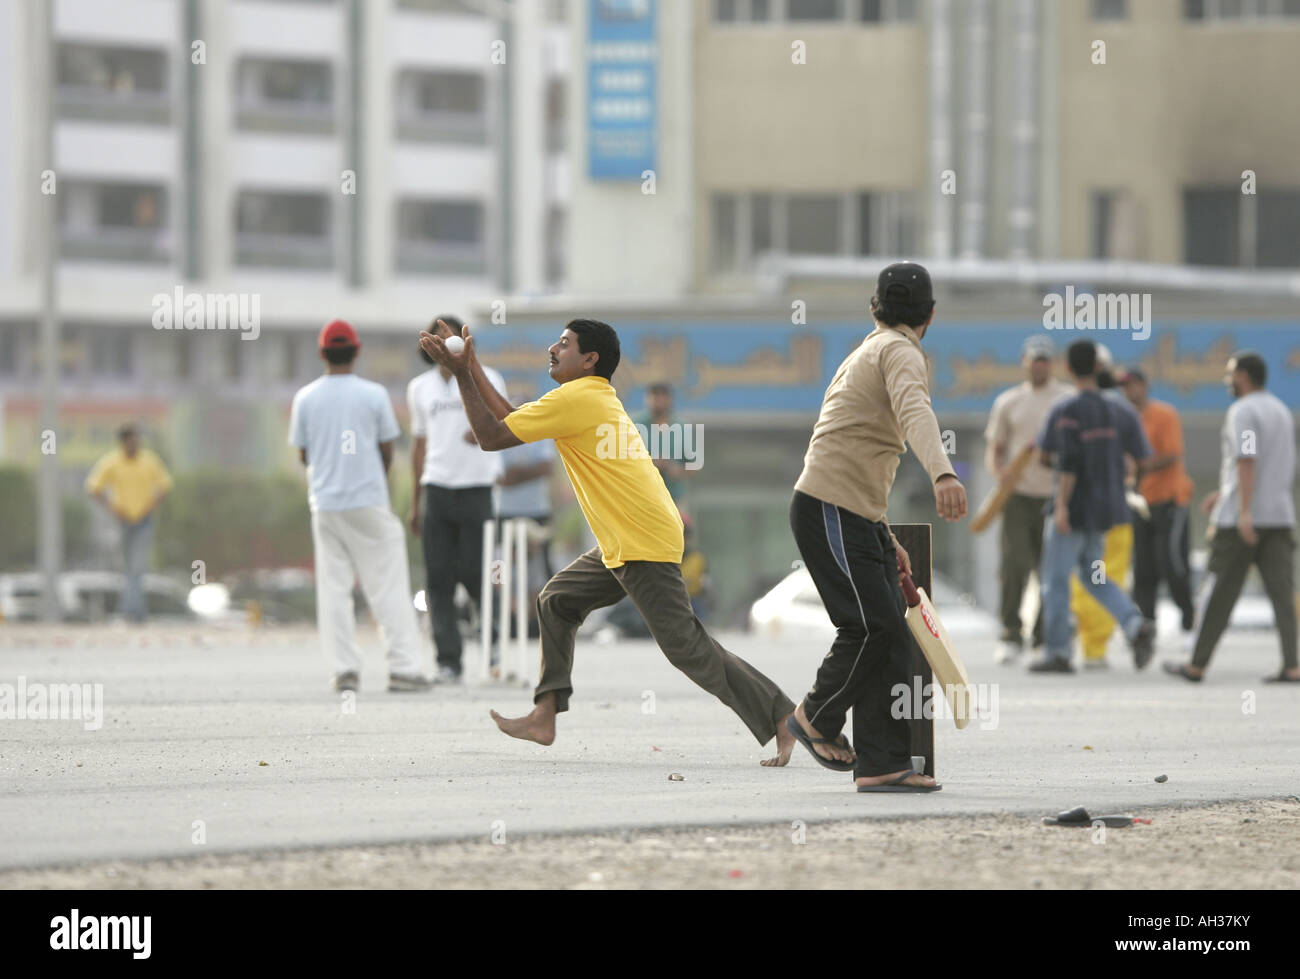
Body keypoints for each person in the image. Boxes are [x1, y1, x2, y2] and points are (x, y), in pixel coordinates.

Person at [418, 318, 799, 766]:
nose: (552, 349)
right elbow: (508, 416)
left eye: (564, 344)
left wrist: (462, 373)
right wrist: (473, 364)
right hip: (626, 539)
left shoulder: (578, 399)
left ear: (589, 360)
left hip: (642, 539)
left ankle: (783, 717)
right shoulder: (585, 397)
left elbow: (490, 436)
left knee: (687, 648)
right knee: (557, 599)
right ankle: (545, 715)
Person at [788, 262, 966, 792]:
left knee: (888, 633)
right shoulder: (900, 352)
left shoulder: (870, 350)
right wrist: (944, 472)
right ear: (930, 316)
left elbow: (860, 447)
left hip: (850, 512)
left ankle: (882, 763)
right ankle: (815, 716)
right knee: (873, 626)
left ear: (874, 308)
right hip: (830, 508)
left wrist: (883, 534)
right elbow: (917, 412)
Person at [289, 320, 430, 694]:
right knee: (387, 584)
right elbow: (387, 450)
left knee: (333, 589)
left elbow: (304, 454)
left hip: (325, 504)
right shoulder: (373, 395)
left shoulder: (305, 398)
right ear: (357, 350)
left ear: (322, 353)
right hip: (367, 500)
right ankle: (404, 668)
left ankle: (345, 670)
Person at [1164, 352, 1298, 683]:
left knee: (1217, 593)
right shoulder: (1280, 410)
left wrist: (1243, 511)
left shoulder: (1244, 411)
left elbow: (1247, 458)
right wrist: (1226, 492)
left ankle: (1197, 664)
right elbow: (1268, 464)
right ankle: (1293, 664)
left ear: (1244, 376)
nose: (1226, 381)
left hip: (1244, 522)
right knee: (1283, 594)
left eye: (1229, 375)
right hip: (1279, 516)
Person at [1033, 340, 1155, 673]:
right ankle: (1134, 624)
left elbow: (1058, 460)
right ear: (1099, 368)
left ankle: (1058, 652)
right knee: (1093, 575)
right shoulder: (1122, 410)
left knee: (1056, 580)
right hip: (1104, 511)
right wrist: (1124, 479)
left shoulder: (1064, 410)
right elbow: (1144, 457)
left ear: (1068, 368)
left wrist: (1060, 506)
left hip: (1071, 511)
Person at [407, 316, 509, 684]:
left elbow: (504, 421)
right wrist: (416, 502)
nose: (442, 341)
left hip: (478, 487)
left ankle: (494, 648)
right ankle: (448, 660)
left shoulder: (489, 378)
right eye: (436, 337)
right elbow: (419, 446)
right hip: (437, 486)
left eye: (449, 336)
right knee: (439, 578)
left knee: (478, 573)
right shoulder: (420, 388)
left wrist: (483, 431)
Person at [984, 336, 1071, 664]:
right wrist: (1000, 472)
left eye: (1045, 360)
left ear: (1053, 363)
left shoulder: (1066, 399)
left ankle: (1043, 637)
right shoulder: (1009, 401)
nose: (1040, 366)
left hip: (1056, 495)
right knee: (1014, 564)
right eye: (1035, 360)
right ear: (1024, 362)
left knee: (1051, 570)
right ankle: (1010, 633)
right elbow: (996, 450)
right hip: (1019, 496)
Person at [1065, 345, 1141, 668]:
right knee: (1104, 577)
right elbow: (1136, 462)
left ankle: (1089, 645)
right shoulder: (1122, 412)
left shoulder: (1073, 408)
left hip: (1082, 513)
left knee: (1084, 578)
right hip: (1117, 512)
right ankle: (1103, 643)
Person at [1119, 367, 1197, 649]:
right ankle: (1147, 629)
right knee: (1143, 570)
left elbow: (1171, 454)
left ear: (1144, 385)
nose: (1128, 391)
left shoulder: (1164, 414)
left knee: (1172, 563)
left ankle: (1188, 620)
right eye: (1124, 387)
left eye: (1132, 385)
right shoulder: (1124, 418)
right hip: (1141, 503)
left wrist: (1140, 464)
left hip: (1170, 499)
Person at [85, 424, 174, 623]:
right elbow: (93, 487)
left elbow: (165, 485)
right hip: (122, 520)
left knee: (137, 566)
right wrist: (113, 509)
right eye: (133, 440)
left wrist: (151, 506)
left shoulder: (149, 461)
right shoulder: (112, 463)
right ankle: (138, 612)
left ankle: (128, 611)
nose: (137, 443)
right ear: (124, 442)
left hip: (144, 520)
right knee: (128, 567)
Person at [497, 411, 557, 638]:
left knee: (541, 564)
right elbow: (499, 476)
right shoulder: (499, 435)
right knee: (499, 564)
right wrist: (528, 472)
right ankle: (501, 611)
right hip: (503, 511)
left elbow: (546, 468)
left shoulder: (541, 433)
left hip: (537, 510)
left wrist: (516, 475)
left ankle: (542, 617)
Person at [634, 382, 690, 505]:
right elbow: (624, 459)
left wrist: (675, 470)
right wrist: (651, 463)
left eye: (662, 396)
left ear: (670, 400)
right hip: (642, 496)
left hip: (673, 497)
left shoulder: (681, 427)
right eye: (654, 396)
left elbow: (694, 465)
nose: (658, 400)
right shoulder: (635, 425)